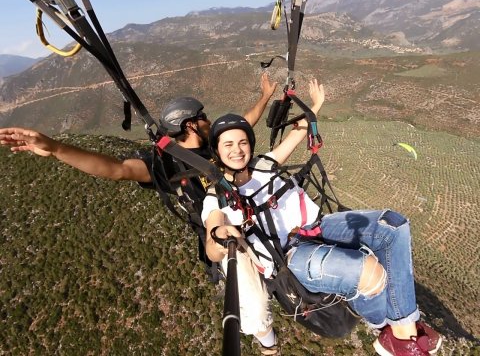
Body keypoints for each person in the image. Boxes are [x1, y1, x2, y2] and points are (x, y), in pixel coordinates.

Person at [201, 79, 443, 355]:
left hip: (318, 227)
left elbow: (298, 132)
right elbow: (213, 237)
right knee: (369, 272)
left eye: (243, 142)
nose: (237, 149)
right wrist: (219, 237)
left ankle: (401, 330)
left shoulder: (265, 164)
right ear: (217, 151)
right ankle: (389, 331)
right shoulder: (218, 197)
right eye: (228, 144)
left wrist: (315, 105)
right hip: (290, 256)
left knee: (394, 226)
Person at [0, 73, 277, 283]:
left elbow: (242, 124)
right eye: (203, 117)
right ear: (191, 124)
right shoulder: (168, 163)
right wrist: (58, 149)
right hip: (223, 237)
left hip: (251, 218)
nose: (209, 121)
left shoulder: (215, 143)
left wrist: (265, 97)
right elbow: (117, 169)